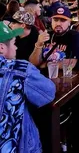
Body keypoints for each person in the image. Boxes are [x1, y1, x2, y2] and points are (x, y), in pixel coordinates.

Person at [0, 21, 55, 153]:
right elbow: (48, 93)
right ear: (1, 48)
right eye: (13, 43)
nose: (16, 48)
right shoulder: (19, 69)